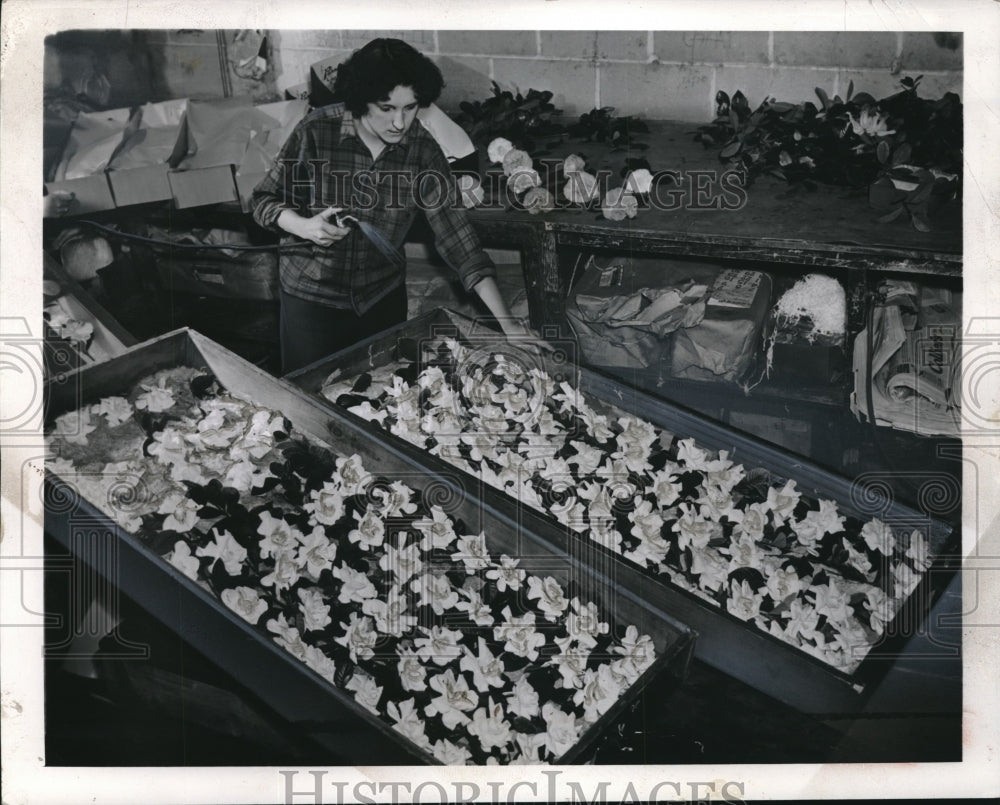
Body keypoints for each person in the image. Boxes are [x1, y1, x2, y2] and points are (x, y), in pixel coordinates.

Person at [251, 37, 533, 374]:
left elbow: (460, 241)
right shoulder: (316, 132)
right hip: (311, 300)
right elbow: (263, 200)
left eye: (410, 107)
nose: (400, 122)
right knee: (308, 399)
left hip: (380, 299)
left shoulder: (422, 151)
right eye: (386, 108)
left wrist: (509, 325)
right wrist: (303, 226)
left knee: (383, 397)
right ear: (360, 101)